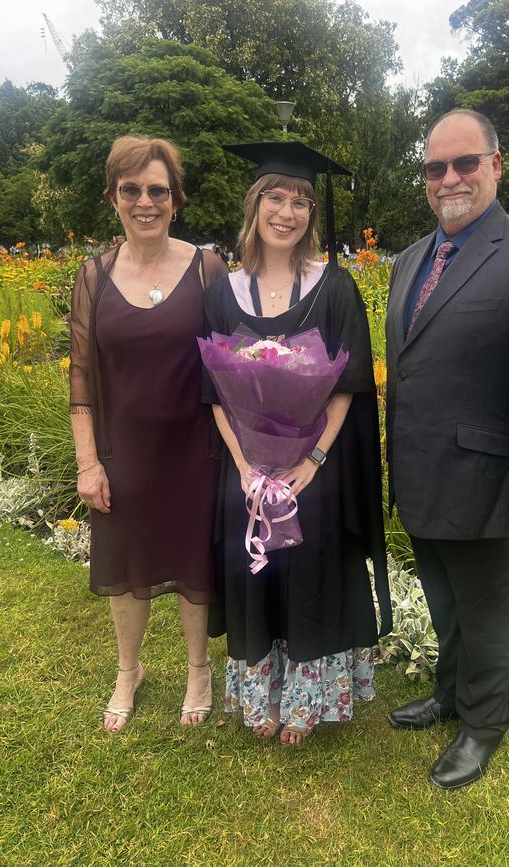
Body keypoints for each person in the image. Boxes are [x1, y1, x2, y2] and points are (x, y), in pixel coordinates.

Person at [385, 109, 509, 788]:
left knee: (490, 616)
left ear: (496, 165)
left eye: (465, 162)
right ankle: (449, 695)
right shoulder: (410, 260)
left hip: (493, 490)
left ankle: (482, 724)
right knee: (446, 607)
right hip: (423, 480)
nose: (449, 178)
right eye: (435, 167)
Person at [203, 141, 392, 745]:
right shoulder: (221, 291)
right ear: (254, 206)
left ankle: (307, 701)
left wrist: (312, 460)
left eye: (302, 201)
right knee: (257, 573)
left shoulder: (334, 287)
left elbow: (350, 384)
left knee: (312, 573)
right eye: (276, 198)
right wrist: (245, 466)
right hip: (248, 471)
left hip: (316, 469)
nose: (289, 212)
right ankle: (263, 699)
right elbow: (212, 390)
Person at [69, 135, 227, 732]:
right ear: (114, 197)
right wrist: (89, 461)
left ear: (175, 198)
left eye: (157, 190)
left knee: (192, 563)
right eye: (131, 189)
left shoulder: (207, 268)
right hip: (122, 451)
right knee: (127, 564)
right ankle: (127, 670)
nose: (145, 201)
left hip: (195, 450)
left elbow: (231, 357)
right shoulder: (94, 276)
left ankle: (197, 671)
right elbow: (81, 376)